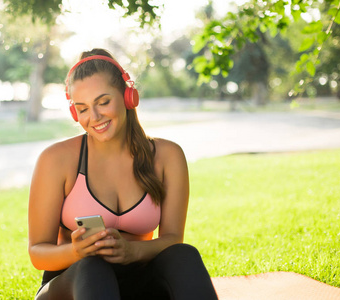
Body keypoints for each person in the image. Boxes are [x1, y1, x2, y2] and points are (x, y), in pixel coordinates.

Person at [28, 48, 218, 300]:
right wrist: (77, 251)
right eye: (83, 108)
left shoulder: (168, 156)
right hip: (74, 284)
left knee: (184, 255)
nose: (94, 117)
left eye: (103, 102)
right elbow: (37, 253)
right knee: (93, 267)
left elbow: (172, 239)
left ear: (129, 97)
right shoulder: (56, 159)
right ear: (75, 113)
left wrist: (133, 251)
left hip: (136, 279)